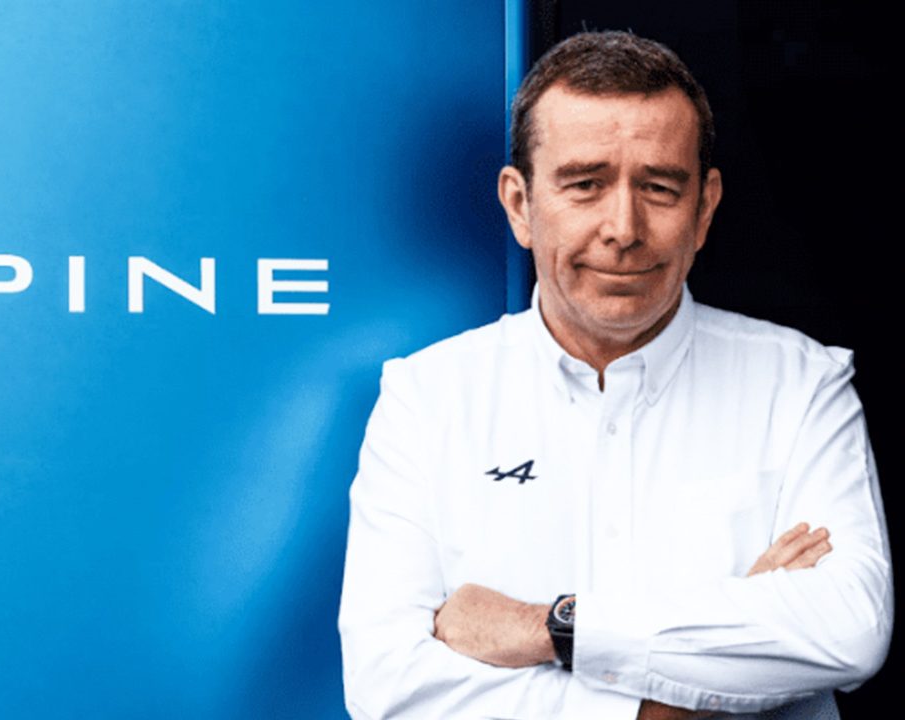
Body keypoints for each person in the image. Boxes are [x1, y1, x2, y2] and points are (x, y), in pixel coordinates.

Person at [338, 30, 892, 720]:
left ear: (704, 209)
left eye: (659, 187)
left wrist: (552, 627)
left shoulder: (801, 386)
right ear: (520, 205)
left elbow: (847, 630)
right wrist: (688, 691)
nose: (623, 228)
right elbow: (388, 685)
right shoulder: (427, 399)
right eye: (585, 185)